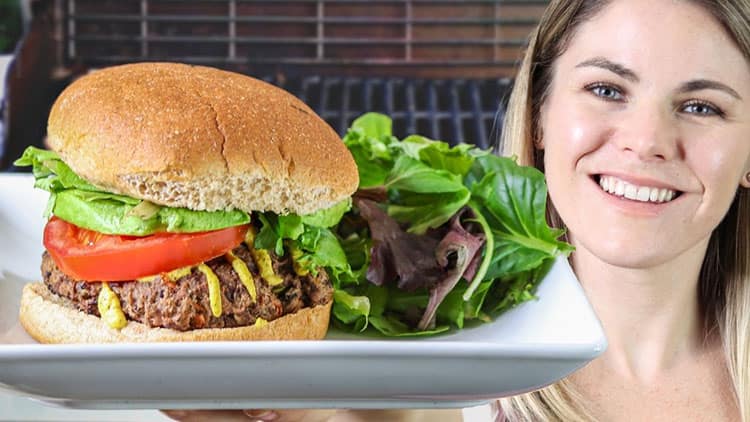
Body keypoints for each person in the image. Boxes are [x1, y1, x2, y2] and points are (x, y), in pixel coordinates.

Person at [165, 0, 750, 420]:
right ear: (542, 116)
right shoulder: (414, 393)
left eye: (702, 107)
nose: (646, 140)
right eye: (606, 90)